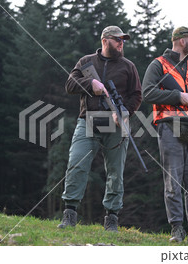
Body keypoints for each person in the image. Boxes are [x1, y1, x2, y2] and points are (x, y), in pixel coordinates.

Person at [57, 26, 142, 232]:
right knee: (76, 164)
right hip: (87, 121)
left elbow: (137, 96)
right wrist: (91, 83)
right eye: (117, 40)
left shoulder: (128, 66)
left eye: (123, 40)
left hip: (116, 124)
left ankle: (111, 218)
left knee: (115, 172)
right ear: (105, 41)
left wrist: (124, 112)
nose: (122, 43)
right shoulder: (85, 62)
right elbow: (70, 84)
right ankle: (69, 214)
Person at [142, 26, 188, 245]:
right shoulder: (158, 65)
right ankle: (177, 228)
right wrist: (177, 96)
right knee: (173, 180)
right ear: (183, 41)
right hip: (169, 123)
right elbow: (148, 93)